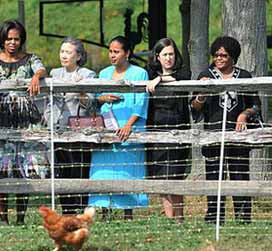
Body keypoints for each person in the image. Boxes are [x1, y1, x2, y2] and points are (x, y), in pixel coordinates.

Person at [0, 19, 48, 226]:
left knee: (23, 166)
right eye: (9, 39)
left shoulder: (30, 59)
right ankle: (3, 218)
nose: (12, 43)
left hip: (24, 115)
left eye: (16, 39)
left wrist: (36, 76)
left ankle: (20, 218)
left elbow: (41, 68)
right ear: (2, 39)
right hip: (0, 114)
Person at [191, 36, 262, 224]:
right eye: (216, 55)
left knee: (240, 176)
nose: (219, 58)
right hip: (213, 135)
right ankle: (214, 218)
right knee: (214, 176)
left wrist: (244, 115)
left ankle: (243, 217)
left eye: (224, 55)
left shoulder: (244, 76)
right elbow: (194, 108)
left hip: (238, 137)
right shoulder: (205, 75)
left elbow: (256, 104)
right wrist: (202, 93)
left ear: (233, 57)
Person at [88, 36, 149, 220]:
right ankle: (105, 210)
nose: (112, 55)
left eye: (116, 51)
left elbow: (141, 102)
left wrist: (128, 125)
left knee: (127, 169)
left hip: (129, 128)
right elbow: (95, 98)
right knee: (104, 169)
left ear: (127, 53)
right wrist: (102, 98)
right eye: (110, 51)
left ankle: (128, 212)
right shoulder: (104, 73)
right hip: (106, 128)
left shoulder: (140, 74)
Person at [44, 37, 96, 215]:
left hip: (79, 129)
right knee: (61, 170)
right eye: (62, 51)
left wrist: (80, 87)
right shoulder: (55, 73)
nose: (64, 55)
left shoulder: (88, 74)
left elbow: (90, 103)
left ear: (79, 56)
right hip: (58, 128)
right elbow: (49, 101)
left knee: (79, 168)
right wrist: (50, 119)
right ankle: (66, 210)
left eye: (68, 52)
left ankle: (80, 210)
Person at [145, 38, 191, 223]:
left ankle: (180, 218)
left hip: (178, 130)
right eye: (165, 54)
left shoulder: (182, 73)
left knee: (176, 176)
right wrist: (155, 78)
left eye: (171, 54)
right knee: (161, 176)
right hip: (156, 132)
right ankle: (169, 218)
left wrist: (160, 79)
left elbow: (183, 78)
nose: (168, 58)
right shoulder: (149, 75)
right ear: (157, 56)